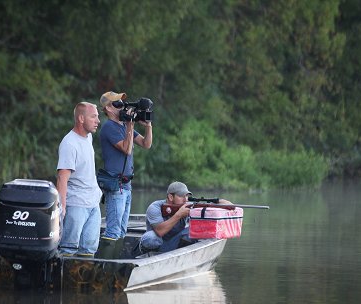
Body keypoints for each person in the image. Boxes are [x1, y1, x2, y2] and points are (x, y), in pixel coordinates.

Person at [98, 91, 153, 242]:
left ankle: (117, 261)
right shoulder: (109, 127)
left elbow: (146, 144)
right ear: (108, 108)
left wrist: (148, 125)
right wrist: (130, 125)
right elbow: (127, 149)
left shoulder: (124, 126)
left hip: (126, 185)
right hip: (116, 185)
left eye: (122, 103)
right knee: (113, 231)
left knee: (122, 230)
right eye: (117, 104)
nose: (122, 106)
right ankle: (107, 261)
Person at [56, 102, 103, 256]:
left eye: (98, 117)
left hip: (93, 204)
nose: (98, 121)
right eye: (94, 117)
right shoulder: (69, 144)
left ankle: (85, 281)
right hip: (76, 205)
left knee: (89, 250)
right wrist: (61, 208)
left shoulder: (88, 137)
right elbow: (62, 178)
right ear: (81, 118)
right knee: (68, 250)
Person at [140, 182, 231, 253]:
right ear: (170, 197)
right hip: (156, 244)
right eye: (181, 196)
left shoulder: (187, 205)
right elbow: (160, 231)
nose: (185, 200)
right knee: (151, 238)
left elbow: (230, 206)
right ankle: (147, 253)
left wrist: (218, 201)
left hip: (173, 244)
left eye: (187, 196)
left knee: (198, 229)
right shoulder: (155, 207)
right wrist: (178, 215)